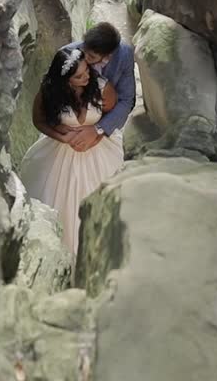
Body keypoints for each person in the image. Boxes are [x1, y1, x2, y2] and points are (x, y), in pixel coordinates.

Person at [20, 23, 135, 254]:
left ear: (107, 56)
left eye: (92, 59)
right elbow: (41, 118)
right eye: (80, 72)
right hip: (61, 153)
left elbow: (124, 102)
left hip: (99, 147)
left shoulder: (119, 61)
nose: (88, 65)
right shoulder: (69, 59)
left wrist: (99, 130)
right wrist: (63, 134)